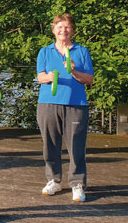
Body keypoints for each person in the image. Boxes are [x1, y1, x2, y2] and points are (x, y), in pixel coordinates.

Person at [36, 13, 94, 202]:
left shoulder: (82, 51)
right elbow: (40, 77)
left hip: (76, 105)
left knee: (76, 146)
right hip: (48, 104)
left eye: (67, 27)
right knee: (50, 145)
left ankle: (77, 184)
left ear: (72, 30)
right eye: (59, 27)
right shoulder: (45, 51)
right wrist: (50, 77)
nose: (63, 30)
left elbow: (89, 79)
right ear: (53, 30)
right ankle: (53, 180)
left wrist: (74, 71)